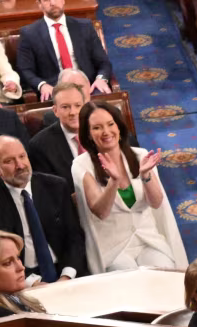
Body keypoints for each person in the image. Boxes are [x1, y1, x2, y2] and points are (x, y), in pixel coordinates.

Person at [73, 102, 185, 271]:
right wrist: (113, 182)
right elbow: (101, 212)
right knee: (128, 282)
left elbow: (156, 203)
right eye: (97, 128)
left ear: (119, 127)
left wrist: (146, 176)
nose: (106, 132)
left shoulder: (141, 155)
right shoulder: (82, 165)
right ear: (88, 134)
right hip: (113, 249)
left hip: (149, 240)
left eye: (110, 124)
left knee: (164, 274)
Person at [0, 136, 86, 283]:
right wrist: (31, 283)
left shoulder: (56, 186)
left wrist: (66, 276)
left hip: (65, 269)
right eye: (9, 161)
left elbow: (74, 237)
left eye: (22, 156)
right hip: (20, 278)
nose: (20, 165)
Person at [16, 0, 113, 99]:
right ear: (39, 4)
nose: (53, 3)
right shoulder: (29, 33)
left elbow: (103, 62)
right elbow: (25, 70)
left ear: (63, 0)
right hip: (55, 90)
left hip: (88, 86)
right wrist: (42, 85)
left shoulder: (84, 26)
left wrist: (100, 79)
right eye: (47, 0)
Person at [25, 80, 86, 192]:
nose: (73, 112)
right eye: (65, 107)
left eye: (78, 105)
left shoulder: (102, 131)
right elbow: (48, 191)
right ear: (55, 111)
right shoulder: (40, 146)